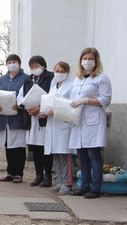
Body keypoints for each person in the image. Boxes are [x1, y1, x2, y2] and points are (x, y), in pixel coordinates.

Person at [70, 48, 111, 199]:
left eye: (90, 59)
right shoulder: (77, 79)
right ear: (80, 61)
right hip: (78, 121)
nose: (87, 61)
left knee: (94, 155)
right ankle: (83, 186)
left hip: (93, 121)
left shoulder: (101, 78)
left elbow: (105, 100)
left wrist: (86, 100)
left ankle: (95, 188)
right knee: (82, 156)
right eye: (84, 58)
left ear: (96, 61)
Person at [0, 54, 29, 184]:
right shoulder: (1, 80)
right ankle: (10, 172)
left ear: (19, 64)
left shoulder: (26, 79)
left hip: (18, 118)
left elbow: (30, 95)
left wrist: (20, 105)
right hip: (4, 118)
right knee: (8, 146)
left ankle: (19, 173)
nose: (11, 64)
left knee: (18, 146)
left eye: (14, 62)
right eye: (9, 62)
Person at [17, 55, 54, 187]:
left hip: (44, 118)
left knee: (45, 148)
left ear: (43, 66)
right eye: (32, 67)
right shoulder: (28, 79)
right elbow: (21, 96)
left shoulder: (51, 78)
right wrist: (26, 106)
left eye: (37, 66)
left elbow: (53, 96)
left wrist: (40, 109)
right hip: (31, 118)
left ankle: (48, 176)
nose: (34, 69)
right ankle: (39, 175)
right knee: (36, 149)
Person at [43, 61, 76, 195]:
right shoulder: (53, 84)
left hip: (64, 125)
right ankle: (60, 181)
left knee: (65, 154)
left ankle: (67, 184)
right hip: (53, 124)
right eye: (57, 71)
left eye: (62, 71)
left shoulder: (71, 86)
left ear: (67, 73)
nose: (59, 73)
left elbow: (71, 105)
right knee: (56, 154)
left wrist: (55, 110)